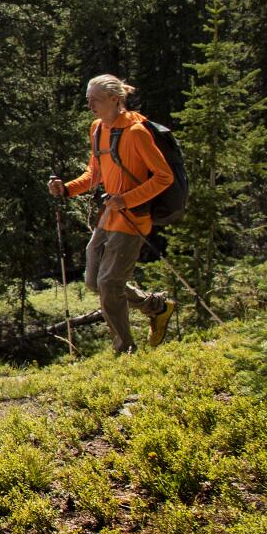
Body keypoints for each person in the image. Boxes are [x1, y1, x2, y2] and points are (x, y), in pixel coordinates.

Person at [48, 74, 178, 353]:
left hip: (133, 220)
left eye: (95, 99)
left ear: (115, 100)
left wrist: (127, 199)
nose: (90, 105)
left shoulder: (136, 133)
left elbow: (163, 177)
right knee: (94, 280)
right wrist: (67, 189)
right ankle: (155, 306)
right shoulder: (97, 129)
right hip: (109, 216)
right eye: (88, 99)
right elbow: (94, 174)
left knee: (108, 283)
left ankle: (125, 348)